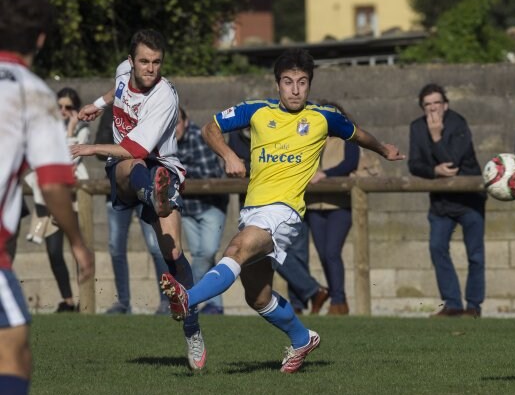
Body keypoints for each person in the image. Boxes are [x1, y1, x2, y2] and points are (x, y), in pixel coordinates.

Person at [160, 48, 404, 373]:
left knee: (236, 247)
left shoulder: (323, 116)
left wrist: (384, 148)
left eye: (302, 82)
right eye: (288, 82)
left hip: (285, 213)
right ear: (278, 85)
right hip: (254, 211)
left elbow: (358, 133)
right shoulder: (257, 112)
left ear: (309, 85)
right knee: (258, 297)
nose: (295, 89)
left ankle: (188, 299)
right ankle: (302, 338)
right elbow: (210, 129)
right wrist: (229, 157)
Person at [71, 29, 205, 371]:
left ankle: (193, 333)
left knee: (173, 253)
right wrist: (96, 106)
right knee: (129, 166)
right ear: (130, 61)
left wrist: (91, 148)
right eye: (144, 61)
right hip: (129, 168)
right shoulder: (122, 71)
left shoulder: (164, 97)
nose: (151, 68)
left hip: (160, 165)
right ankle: (152, 195)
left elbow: (140, 148)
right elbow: (117, 93)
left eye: (157, 62)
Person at [0, 0, 94, 395]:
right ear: (40, 37)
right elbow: (55, 183)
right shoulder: (33, 92)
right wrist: (77, 242)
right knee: (14, 351)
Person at [228, 128, 329, 314]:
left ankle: (302, 302)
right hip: (255, 202)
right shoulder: (236, 136)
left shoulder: (278, 128)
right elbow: (236, 167)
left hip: (287, 199)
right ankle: (311, 293)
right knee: (267, 251)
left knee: (295, 253)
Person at [408, 83, 486, 318]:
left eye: (437, 103)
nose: (433, 109)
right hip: (441, 201)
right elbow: (414, 164)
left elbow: (453, 163)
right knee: (437, 247)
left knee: (475, 254)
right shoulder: (416, 127)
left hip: (469, 198)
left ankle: (473, 306)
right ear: (422, 107)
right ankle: (452, 304)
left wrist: (436, 136)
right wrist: (433, 170)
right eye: (428, 105)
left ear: (446, 105)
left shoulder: (458, 123)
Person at [90, 91, 169, 315]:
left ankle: (166, 300)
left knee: (155, 247)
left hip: (145, 187)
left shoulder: (153, 107)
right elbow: (98, 148)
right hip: (119, 189)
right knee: (116, 247)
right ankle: (123, 302)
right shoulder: (112, 114)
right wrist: (124, 149)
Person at [24, 87, 90, 313]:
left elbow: (69, 159)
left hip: (73, 197)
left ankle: (86, 299)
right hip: (51, 195)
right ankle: (68, 300)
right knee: (53, 251)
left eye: (68, 107)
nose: (62, 111)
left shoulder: (82, 129)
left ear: (75, 109)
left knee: (78, 249)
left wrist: (71, 130)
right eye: (59, 106)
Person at [306, 101, 360, 315]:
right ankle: (337, 301)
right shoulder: (310, 138)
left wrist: (326, 175)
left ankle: (339, 300)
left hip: (338, 204)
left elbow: (350, 163)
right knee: (322, 253)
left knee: (331, 252)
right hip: (314, 204)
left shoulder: (348, 137)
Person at [176, 107, 228, 315]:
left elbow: (211, 173)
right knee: (200, 255)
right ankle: (215, 305)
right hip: (188, 208)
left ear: (186, 121)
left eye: (177, 122)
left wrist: (180, 170)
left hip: (210, 206)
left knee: (205, 254)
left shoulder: (198, 137)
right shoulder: (166, 142)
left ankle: (190, 298)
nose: (175, 127)